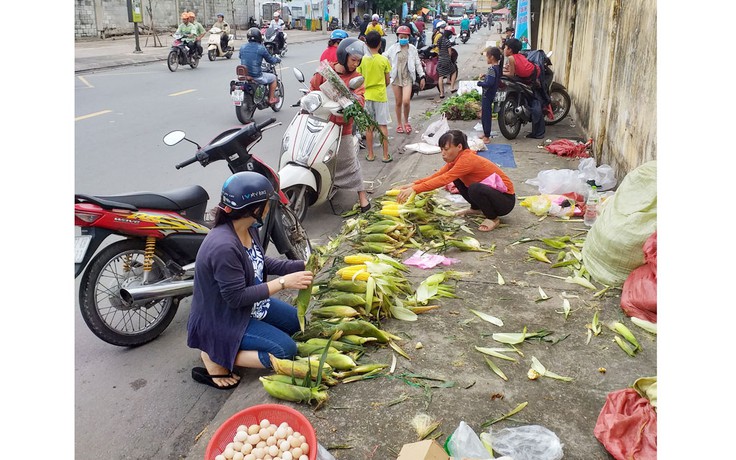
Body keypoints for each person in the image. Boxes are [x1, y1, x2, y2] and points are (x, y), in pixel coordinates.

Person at [186, 171, 314, 390]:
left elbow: (262, 263)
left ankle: (234, 343)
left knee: (297, 323)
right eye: (266, 203)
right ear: (255, 208)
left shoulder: (248, 228)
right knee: (286, 351)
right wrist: (284, 283)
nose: (268, 207)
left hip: (249, 307)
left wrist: (303, 265)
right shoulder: (223, 247)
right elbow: (236, 298)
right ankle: (214, 354)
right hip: (224, 318)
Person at [395, 130, 515, 232]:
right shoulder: (456, 160)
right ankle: (476, 208)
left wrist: (415, 189)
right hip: (493, 195)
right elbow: (439, 175)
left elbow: (444, 179)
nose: (443, 153)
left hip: (505, 201)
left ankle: (493, 218)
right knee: (458, 179)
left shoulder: (467, 160)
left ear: (459, 147)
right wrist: (414, 184)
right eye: (441, 149)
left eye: (446, 149)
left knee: (475, 188)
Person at [309, 37, 372, 212]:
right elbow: (313, 89)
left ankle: (362, 197)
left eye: (358, 61)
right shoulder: (326, 72)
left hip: (343, 127)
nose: (356, 64)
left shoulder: (356, 77)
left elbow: (360, 99)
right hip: (322, 122)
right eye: (353, 60)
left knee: (349, 162)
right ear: (343, 56)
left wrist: (353, 103)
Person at [357, 31, 392, 162]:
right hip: (380, 96)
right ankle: (385, 155)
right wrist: (381, 86)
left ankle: (371, 154)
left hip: (366, 95)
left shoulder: (362, 60)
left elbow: (358, 79)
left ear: (366, 44)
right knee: (383, 125)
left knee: (369, 127)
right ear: (379, 44)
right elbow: (387, 80)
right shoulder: (384, 60)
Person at [384, 25, 425, 136]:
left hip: (407, 77)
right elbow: (384, 58)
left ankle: (406, 121)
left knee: (406, 101)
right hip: (396, 78)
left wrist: (422, 76)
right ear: (398, 37)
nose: (403, 39)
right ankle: (399, 124)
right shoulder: (393, 48)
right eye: (401, 37)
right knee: (398, 102)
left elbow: (417, 63)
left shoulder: (412, 49)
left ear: (408, 37)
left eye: (405, 37)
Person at [503, 38, 545, 139]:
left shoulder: (511, 58)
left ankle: (538, 132)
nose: (504, 49)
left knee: (534, 102)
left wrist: (500, 72)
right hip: (532, 73)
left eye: (505, 47)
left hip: (533, 76)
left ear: (510, 50)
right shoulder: (518, 55)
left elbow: (512, 74)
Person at [239, 27, 282, 105]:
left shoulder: (242, 47)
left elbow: (240, 57)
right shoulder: (261, 48)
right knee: (273, 78)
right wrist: (277, 60)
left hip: (244, 75)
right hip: (256, 76)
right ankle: (271, 99)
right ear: (259, 37)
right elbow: (270, 60)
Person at [476, 47, 502, 144]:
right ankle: (485, 133)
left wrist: (480, 83)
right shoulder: (496, 68)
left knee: (486, 116)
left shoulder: (492, 69)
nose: (486, 59)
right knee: (485, 114)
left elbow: (490, 83)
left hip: (487, 94)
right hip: (490, 94)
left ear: (491, 57)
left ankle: (487, 136)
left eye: (487, 57)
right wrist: (485, 76)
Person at [436, 26, 457, 98]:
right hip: (446, 59)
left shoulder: (440, 40)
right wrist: (449, 58)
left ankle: (441, 93)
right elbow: (450, 53)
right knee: (453, 71)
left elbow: (439, 49)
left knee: (440, 76)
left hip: (440, 59)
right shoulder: (447, 41)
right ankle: (452, 87)